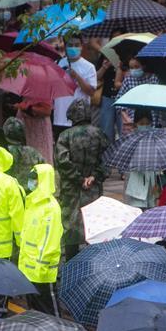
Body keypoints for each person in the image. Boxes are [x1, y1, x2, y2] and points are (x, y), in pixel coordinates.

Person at [55, 99, 109, 260]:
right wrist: (94, 176)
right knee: (93, 226)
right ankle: (91, 264)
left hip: (71, 190)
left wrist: (78, 179)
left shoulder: (65, 136)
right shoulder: (100, 134)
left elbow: (62, 162)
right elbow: (108, 160)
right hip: (93, 189)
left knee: (70, 227)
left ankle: (71, 264)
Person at [19, 164, 63, 315]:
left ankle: (57, 330)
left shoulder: (51, 208)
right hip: (28, 269)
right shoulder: (32, 203)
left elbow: (50, 241)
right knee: (34, 312)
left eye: (35, 179)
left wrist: (41, 269)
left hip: (42, 273)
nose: (31, 182)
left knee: (50, 312)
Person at [53, 36, 97, 138]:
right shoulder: (57, 64)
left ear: (82, 46)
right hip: (59, 118)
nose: (73, 48)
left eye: (77, 45)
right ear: (65, 46)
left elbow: (91, 92)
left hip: (80, 120)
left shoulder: (89, 67)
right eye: (70, 45)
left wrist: (77, 77)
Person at [123, 111, 160, 209]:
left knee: (151, 207)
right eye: (142, 123)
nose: (145, 126)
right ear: (136, 124)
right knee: (136, 208)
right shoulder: (130, 140)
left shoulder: (155, 140)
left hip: (151, 182)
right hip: (135, 181)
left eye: (148, 123)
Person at [115, 57, 159, 133]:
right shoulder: (128, 80)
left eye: (136, 67)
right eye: (131, 68)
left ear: (143, 66)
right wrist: (126, 117)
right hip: (132, 120)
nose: (134, 70)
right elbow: (119, 101)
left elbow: (158, 98)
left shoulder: (153, 78)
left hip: (151, 118)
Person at [3, 117, 45, 188]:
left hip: (9, 191)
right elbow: (43, 170)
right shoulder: (33, 152)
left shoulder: (2, 152)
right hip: (30, 191)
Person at [15, 99, 54, 164]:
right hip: (27, 125)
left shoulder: (43, 95)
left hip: (39, 128)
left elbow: (47, 111)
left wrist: (27, 107)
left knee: (42, 155)